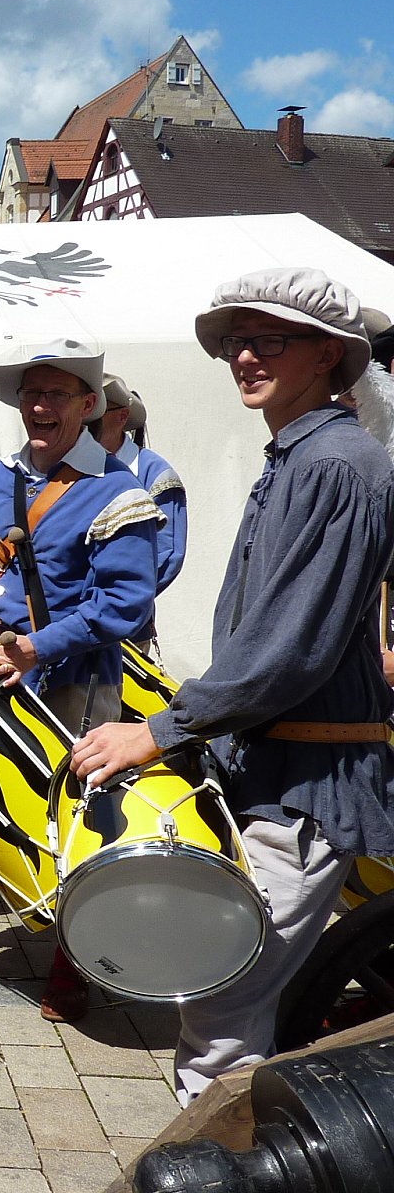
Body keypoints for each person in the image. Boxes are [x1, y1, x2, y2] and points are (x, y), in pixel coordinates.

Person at [72, 269, 394, 1104]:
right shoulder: (299, 457)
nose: (245, 356)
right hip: (273, 772)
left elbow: (290, 649)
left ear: (328, 354)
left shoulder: (335, 465)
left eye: (269, 339)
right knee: (237, 1003)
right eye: (237, 342)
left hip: (308, 786)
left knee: (219, 1008)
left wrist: (160, 730)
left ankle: (214, 1158)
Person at [0, 339, 160, 1026]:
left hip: (74, 681)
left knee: (72, 813)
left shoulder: (121, 493)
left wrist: (38, 648)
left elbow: (125, 604)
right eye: (31, 394)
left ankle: (75, 962)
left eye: (56, 394)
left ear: (88, 404)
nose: (40, 406)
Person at [96, 375, 187, 613]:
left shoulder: (156, 474)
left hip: (122, 617)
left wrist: (116, 603)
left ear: (122, 416)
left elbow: (167, 554)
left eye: (98, 412)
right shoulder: (69, 468)